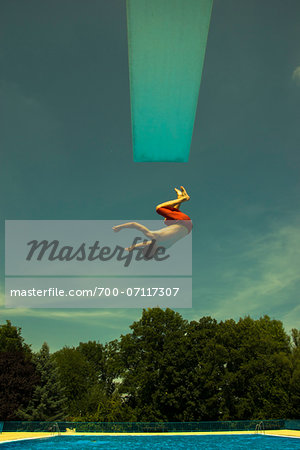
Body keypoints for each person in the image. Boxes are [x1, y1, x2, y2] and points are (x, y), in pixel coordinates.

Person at [112, 186, 192, 257]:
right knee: (159, 208)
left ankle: (179, 198)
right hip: (183, 221)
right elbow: (134, 224)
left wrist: (132, 247)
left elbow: (146, 244)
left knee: (167, 221)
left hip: (188, 227)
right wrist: (119, 227)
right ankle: (184, 198)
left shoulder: (164, 246)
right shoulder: (154, 236)